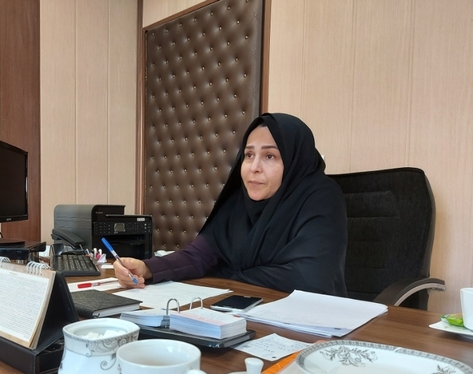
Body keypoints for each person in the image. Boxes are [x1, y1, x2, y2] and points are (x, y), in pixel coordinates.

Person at [114, 113, 348, 296]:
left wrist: (224, 274)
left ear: (295, 160)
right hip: (248, 311)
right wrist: (147, 268)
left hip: (313, 324)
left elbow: (308, 278)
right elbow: (200, 256)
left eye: (270, 156)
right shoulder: (240, 201)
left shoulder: (321, 196)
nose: (254, 167)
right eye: (248, 155)